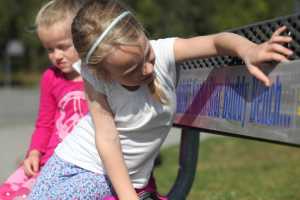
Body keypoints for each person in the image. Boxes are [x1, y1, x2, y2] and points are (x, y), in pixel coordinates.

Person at [29, 0, 293, 200]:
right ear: (103, 73)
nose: (146, 69)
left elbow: (215, 41)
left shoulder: (164, 52)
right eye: (130, 71)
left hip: (112, 178)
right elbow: (106, 137)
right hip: (86, 165)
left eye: (146, 55)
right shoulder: (95, 75)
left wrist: (248, 49)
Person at [0, 1, 90, 199]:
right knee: (8, 194)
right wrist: (34, 152)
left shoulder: (98, 76)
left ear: (83, 39)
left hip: (85, 163)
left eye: (63, 47)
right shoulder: (50, 77)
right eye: (49, 49)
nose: (56, 56)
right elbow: (44, 124)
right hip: (50, 161)